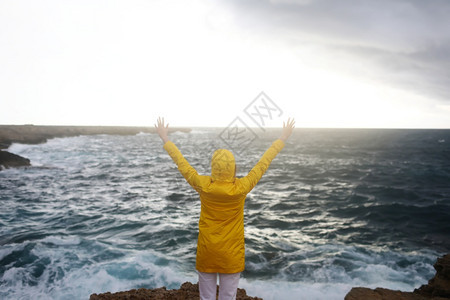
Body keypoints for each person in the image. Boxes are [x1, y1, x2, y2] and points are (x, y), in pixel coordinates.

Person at [154, 117, 295, 300]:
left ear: (213, 168)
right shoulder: (241, 188)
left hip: (207, 253)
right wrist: (282, 138)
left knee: (206, 298)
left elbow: (183, 164)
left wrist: (165, 138)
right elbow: (263, 164)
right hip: (231, 256)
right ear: (233, 168)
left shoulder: (203, 185)